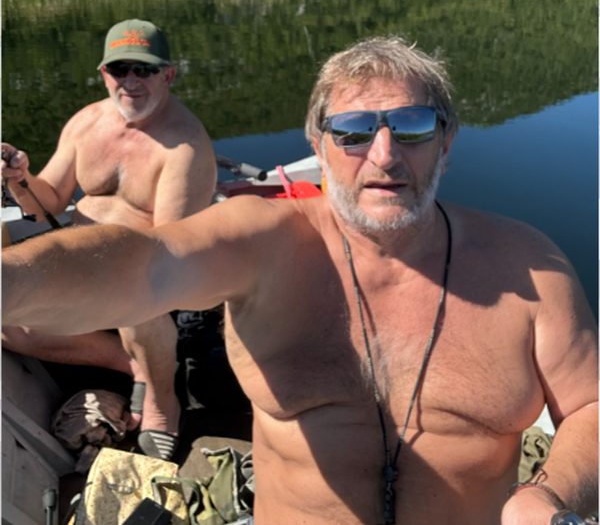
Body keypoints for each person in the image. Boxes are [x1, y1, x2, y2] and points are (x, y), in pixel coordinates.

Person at [3, 35, 597, 525]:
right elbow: (143, 262)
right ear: (319, 145)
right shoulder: (264, 242)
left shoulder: (529, 267)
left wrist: (547, 495)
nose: (385, 155)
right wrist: (13, 279)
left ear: (446, 144)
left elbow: (590, 407)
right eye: (353, 131)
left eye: (413, 126)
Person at [2, 19, 217, 461]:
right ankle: (130, 363)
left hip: (144, 282)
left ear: (168, 75)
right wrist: (20, 178)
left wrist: (109, 275)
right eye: (120, 69)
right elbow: (49, 201)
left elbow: (169, 255)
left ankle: (163, 403)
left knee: (138, 303)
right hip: (80, 265)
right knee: (6, 322)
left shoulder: (185, 147)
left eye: (145, 70)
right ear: (104, 73)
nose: (131, 81)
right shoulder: (85, 123)